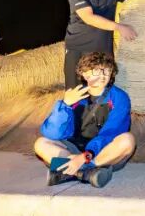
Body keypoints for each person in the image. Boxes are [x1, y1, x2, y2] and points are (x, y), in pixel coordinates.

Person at [34, 51, 135, 188]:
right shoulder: (75, 95)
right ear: (84, 74)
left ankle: (71, 170)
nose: (101, 76)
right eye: (95, 71)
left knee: (128, 140)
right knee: (41, 143)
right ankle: (86, 173)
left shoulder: (119, 97)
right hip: (73, 150)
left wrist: (87, 156)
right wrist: (64, 105)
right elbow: (52, 133)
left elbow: (111, 133)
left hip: (102, 152)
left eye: (106, 71)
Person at [64, 0, 137, 89]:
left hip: (104, 49)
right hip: (79, 48)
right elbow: (88, 17)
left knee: (104, 91)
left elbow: (135, 0)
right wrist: (120, 27)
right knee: (77, 91)